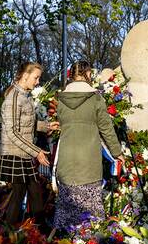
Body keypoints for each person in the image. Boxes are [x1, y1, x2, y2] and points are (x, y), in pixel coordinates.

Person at [53, 60, 123, 231]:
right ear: (87, 74)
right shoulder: (95, 98)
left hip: (66, 158)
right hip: (89, 159)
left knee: (66, 210)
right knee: (90, 213)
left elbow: (60, 122)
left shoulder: (60, 99)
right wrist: (116, 152)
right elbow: (106, 128)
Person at [0, 62, 59, 226]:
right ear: (25, 76)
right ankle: (9, 236)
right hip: (15, 153)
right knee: (20, 194)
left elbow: (26, 125)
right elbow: (12, 132)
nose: (38, 81)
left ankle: (36, 231)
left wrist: (46, 126)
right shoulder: (14, 98)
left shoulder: (24, 96)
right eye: (36, 77)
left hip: (23, 152)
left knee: (33, 192)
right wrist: (36, 151)